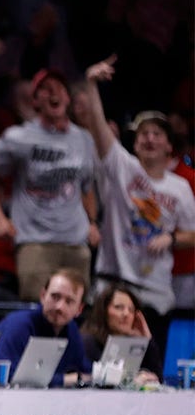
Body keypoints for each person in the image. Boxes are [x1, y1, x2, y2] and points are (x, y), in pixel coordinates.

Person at [80, 57, 195, 322]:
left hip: (155, 291)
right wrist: (91, 84)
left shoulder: (180, 187)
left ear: (169, 146)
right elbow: (98, 127)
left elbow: (192, 234)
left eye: (157, 134)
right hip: (112, 283)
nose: (150, 138)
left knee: (150, 361)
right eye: (143, 133)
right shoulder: (123, 166)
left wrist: (172, 239)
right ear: (135, 144)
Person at [0, 68, 98, 299]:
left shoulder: (83, 139)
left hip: (76, 241)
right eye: (46, 89)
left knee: (76, 313)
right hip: (35, 241)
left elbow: (86, 187)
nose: (54, 93)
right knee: (38, 311)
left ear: (67, 98)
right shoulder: (18, 138)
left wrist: (92, 223)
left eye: (60, 88)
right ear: (35, 101)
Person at [0, 268, 92, 387]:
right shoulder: (18, 325)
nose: (59, 307)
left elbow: (85, 371)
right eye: (55, 297)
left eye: (69, 301)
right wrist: (65, 380)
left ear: (79, 309)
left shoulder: (71, 329)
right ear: (43, 296)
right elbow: (4, 375)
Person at [80, 284, 163, 386]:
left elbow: (157, 379)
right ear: (104, 311)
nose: (126, 314)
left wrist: (147, 339)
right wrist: (133, 381)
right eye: (119, 307)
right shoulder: (88, 342)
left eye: (131, 310)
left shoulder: (135, 343)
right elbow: (91, 379)